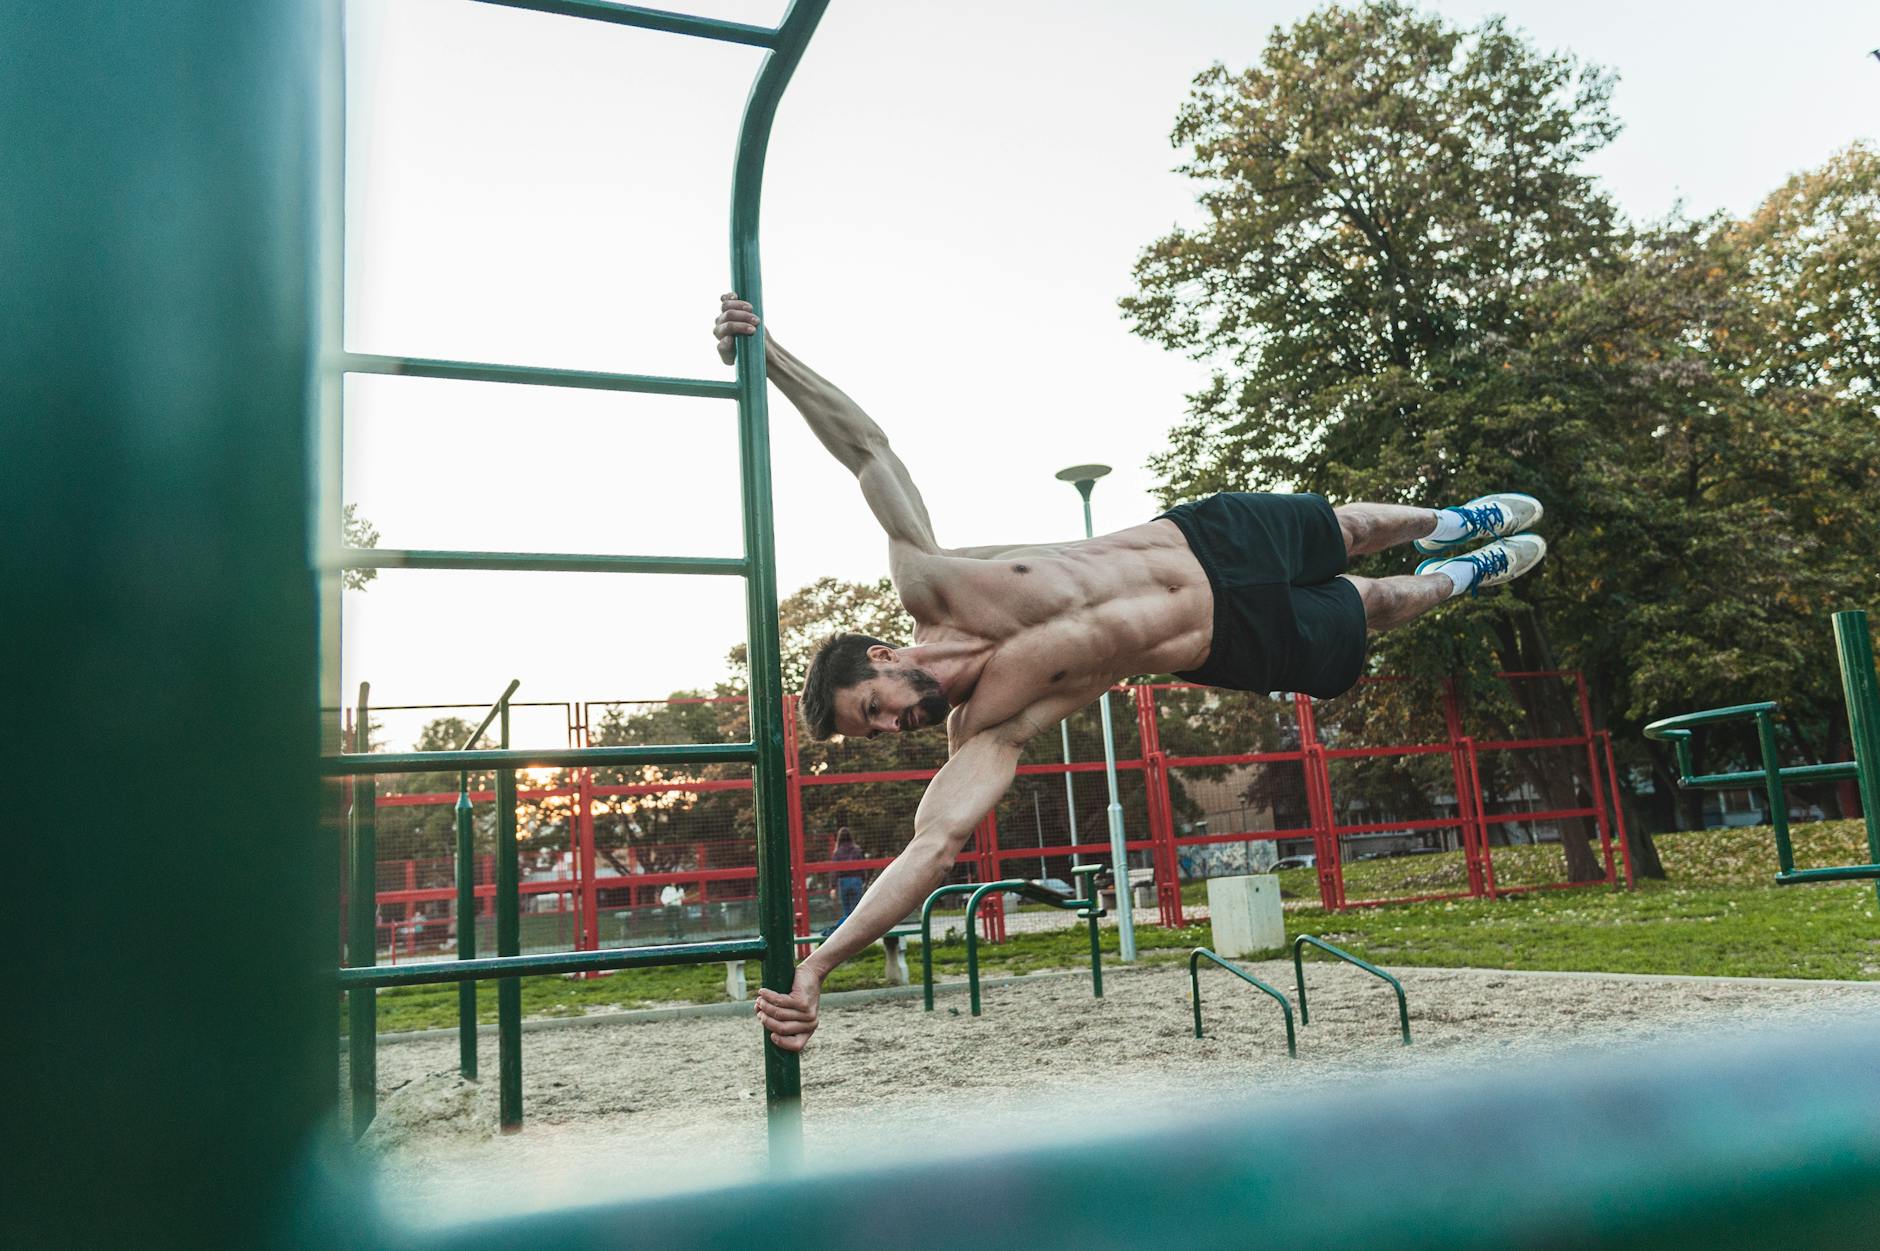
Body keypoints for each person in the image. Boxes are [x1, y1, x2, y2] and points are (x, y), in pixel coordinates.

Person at [714, 294, 1546, 1051]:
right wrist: (818, 965)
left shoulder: (932, 576)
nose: (895, 728)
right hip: (1222, 638)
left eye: (875, 707)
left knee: (1354, 528)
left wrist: (769, 353)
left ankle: (1448, 523)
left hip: (1206, 541)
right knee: (1380, 602)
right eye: (878, 732)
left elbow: (866, 449)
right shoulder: (989, 727)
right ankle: (1464, 574)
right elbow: (931, 849)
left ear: (883, 656)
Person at [825, 827, 867, 934]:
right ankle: (859, 931)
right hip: (856, 880)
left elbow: (835, 870)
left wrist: (833, 887)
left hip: (843, 881)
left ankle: (849, 932)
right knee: (857, 909)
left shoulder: (837, 853)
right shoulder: (857, 851)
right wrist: (864, 880)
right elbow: (862, 866)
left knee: (847, 909)